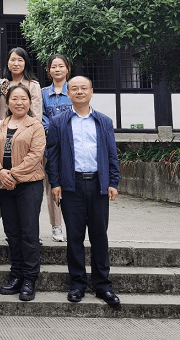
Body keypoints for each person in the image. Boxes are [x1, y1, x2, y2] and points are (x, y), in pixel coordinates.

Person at [47, 76, 121, 307]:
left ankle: (102, 285)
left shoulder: (104, 121)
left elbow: (111, 154)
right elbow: (53, 155)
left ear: (91, 91)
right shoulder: (59, 122)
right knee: (75, 237)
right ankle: (77, 284)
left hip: (98, 185)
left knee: (100, 236)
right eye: (74, 89)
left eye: (83, 88)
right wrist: (55, 183)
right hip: (72, 185)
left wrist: (113, 182)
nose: (79, 92)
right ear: (68, 94)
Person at [0, 84, 46, 302]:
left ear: (30, 102)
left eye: (23, 99)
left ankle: (30, 278)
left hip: (28, 185)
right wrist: (0, 172)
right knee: (12, 232)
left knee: (29, 233)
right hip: (4, 185)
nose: (19, 102)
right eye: (15, 99)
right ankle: (16, 274)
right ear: (8, 102)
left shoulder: (36, 126)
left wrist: (11, 175)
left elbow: (35, 155)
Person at [41, 54, 72, 243]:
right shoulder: (43, 93)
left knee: (71, 187)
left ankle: (73, 225)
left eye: (61, 66)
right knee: (52, 186)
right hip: (49, 147)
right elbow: (41, 116)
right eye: (54, 66)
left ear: (68, 69)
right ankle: (56, 226)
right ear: (49, 70)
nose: (57, 69)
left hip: (72, 147)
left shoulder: (75, 89)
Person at [0, 47, 42, 122]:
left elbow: (36, 115)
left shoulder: (33, 85)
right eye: (12, 60)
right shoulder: (2, 84)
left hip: (26, 129)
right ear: (8, 63)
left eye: (20, 60)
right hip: (2, 129)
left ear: (25, 63)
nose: (16, 64)